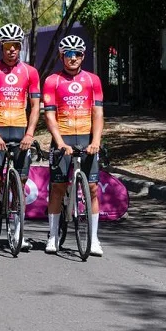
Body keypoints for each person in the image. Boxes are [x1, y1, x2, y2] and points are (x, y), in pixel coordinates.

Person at [0, 23, 41, 253]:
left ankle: (18, 234)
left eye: (16, 46)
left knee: (20, 186)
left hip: (21, 133)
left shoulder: (30, 72)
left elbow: (35, 107)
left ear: (20, 46)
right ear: (2, 47)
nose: (12, 50)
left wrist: (30, 133)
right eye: (8, 46)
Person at [43, 35, 105, 256]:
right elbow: (49, 116)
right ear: (61, 56)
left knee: (93, 189)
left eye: (77, 54)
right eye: (68, 54)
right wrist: (60, 143)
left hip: (86, 140)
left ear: (83, 56)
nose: (73, 58)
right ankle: (52, 236)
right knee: (58, 189)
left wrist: (96, 141)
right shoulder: (52, 80)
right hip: (63, 140)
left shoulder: (92, 80)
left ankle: (94, 239)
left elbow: (98, 113)